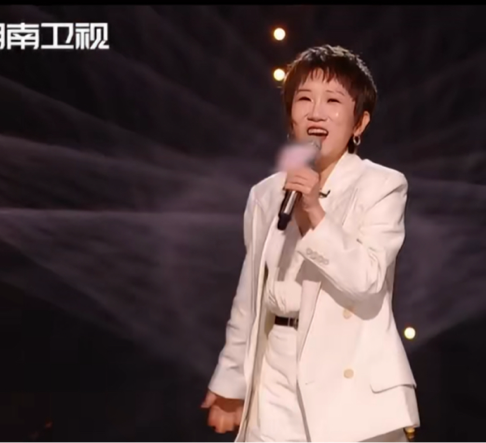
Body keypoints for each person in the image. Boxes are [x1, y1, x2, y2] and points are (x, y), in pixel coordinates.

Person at [202, 45, 419, 443]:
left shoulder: (382, 185)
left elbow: (367, 279)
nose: (316, 112)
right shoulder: (266, 194)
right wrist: (231, 381)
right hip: (274, 377)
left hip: (348, 383)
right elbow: (250, 295)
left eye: (333, 101)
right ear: (291, 117)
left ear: (359, 122)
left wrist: (315, 212)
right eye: (304, 99)